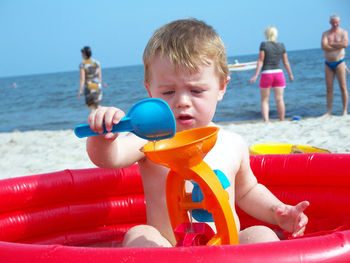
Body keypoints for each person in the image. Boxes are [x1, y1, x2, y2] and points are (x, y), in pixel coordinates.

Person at [86, 19, 309, 247]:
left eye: (196, 90)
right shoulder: (149, 139)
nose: (182, 101)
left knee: (263, 235)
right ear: (149, 91)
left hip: (227, 248)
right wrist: (103, 135)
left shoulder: (232, 143)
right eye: (168, 91)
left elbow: (247, 191)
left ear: (221, 87)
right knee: (139, 234)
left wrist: (278, 212)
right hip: (168, 249)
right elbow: (108, 158)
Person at [250, 26, 294, 122]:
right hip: (279, 73)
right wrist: (290, 74)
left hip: (267, 73)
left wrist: (255, 75)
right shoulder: (281, 45)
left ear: (267, 34)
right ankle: (281, 120)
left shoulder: (264, 45)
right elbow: (286, 62)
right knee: (280, 99)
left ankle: (266, 121)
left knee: (265, 100)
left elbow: (260, 61)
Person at [321, 14, 349, 117]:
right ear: (330, 23)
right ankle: (328, 112)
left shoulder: (344, 32)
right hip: (328, 63)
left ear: (339, 22)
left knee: (343, 86)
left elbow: (345, 44)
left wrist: (331, 44)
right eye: (333, 23)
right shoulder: (325, 34)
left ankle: (345, 110)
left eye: (337, 22)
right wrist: (338, 45)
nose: (335, 24)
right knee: (329, 88)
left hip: (340, 62)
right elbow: (324, 46)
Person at [79, 46, 103, 113]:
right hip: (97, 86)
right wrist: (99, 85)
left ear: (84, 54)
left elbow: (82, 79)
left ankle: (93, 122)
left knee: (92, 106)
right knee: (98, 105)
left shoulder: (82, 64)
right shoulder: (97, 63)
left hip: (89, 87)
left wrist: (80, 91)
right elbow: (100, 77)